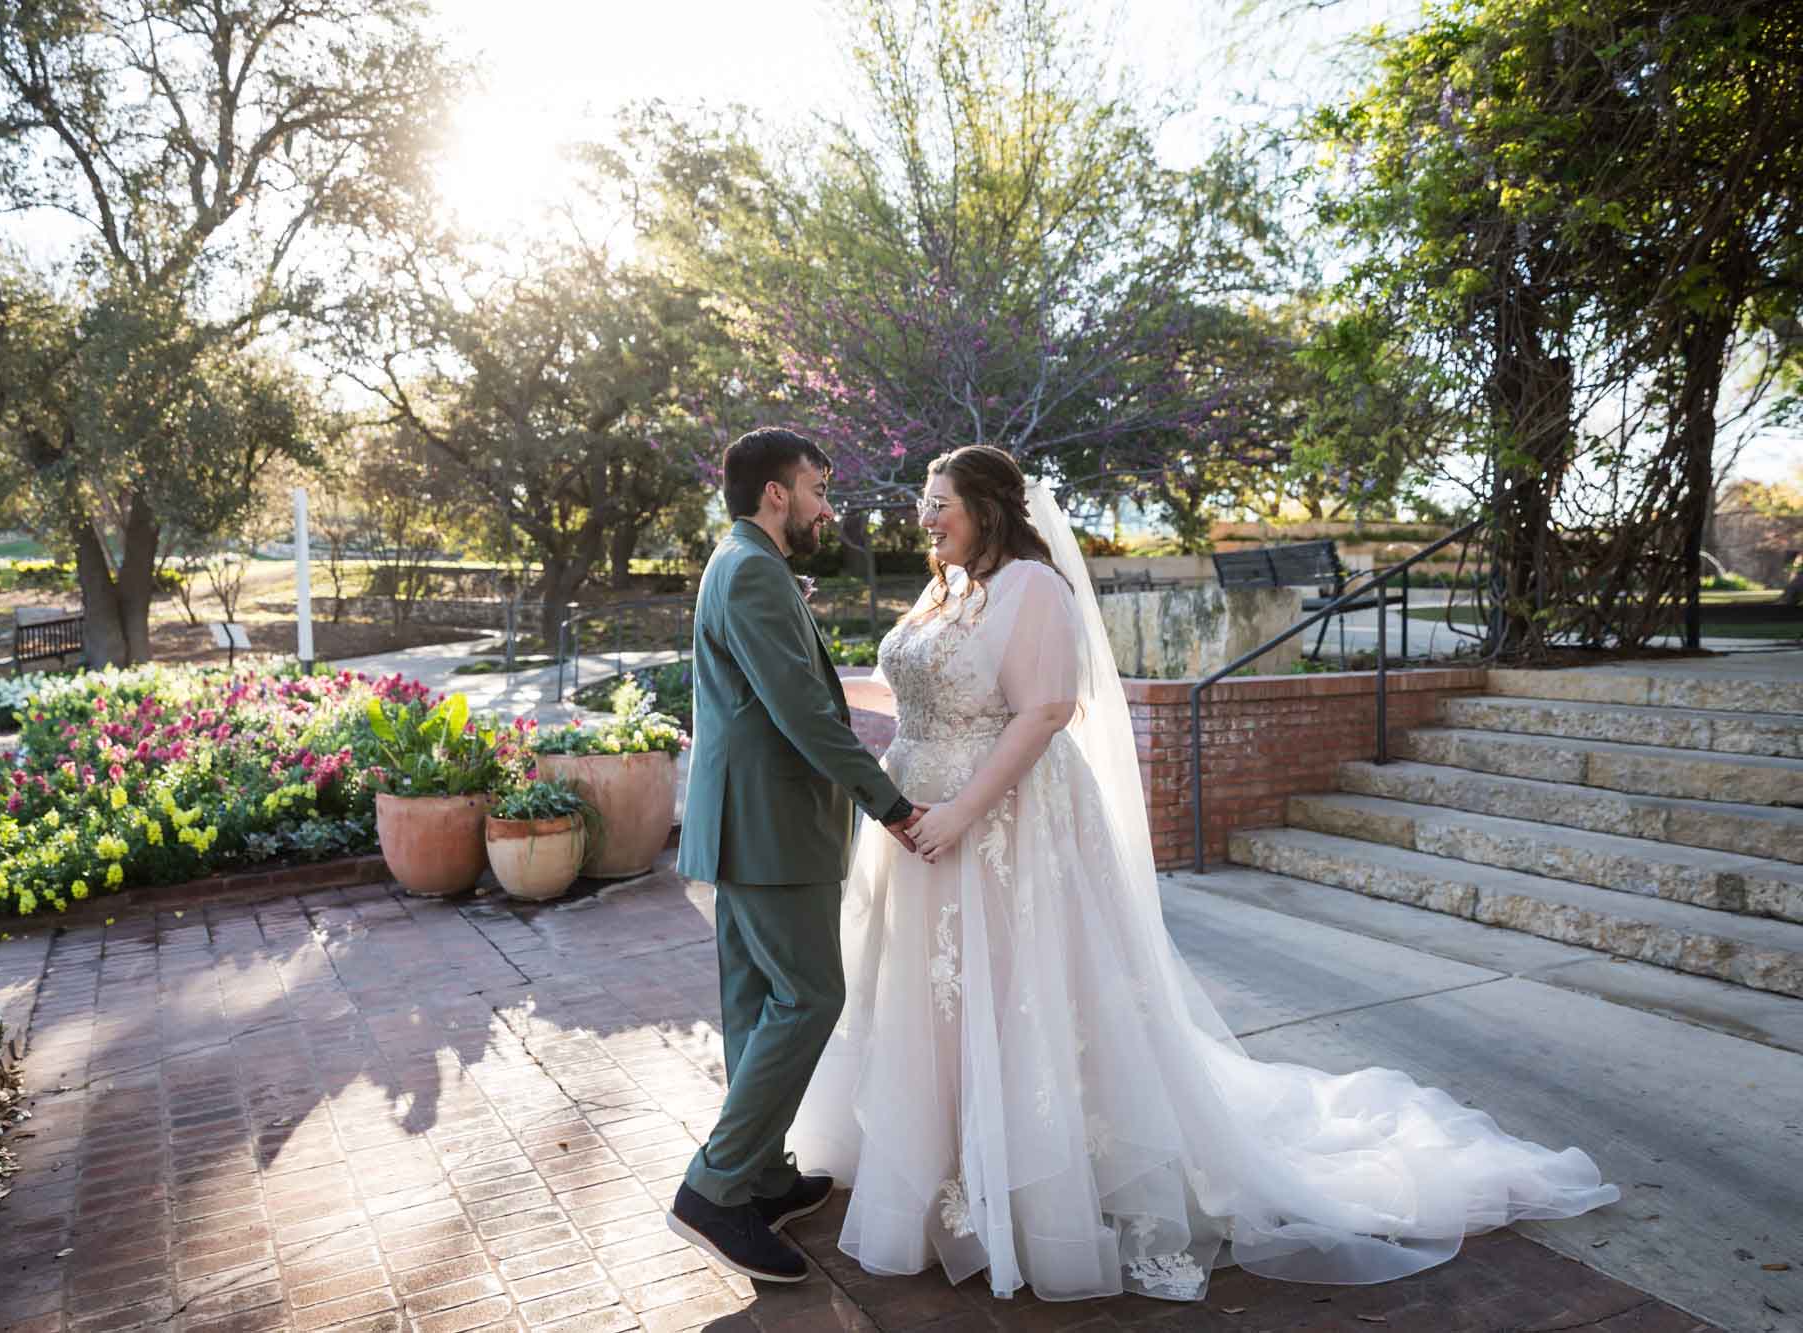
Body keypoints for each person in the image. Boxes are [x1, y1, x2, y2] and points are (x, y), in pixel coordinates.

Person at [789, 444, 1619, 1302]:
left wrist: (962, 811)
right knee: (943, 1001)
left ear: (989, 506)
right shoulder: (949, 587)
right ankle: (949, 1169)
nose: (925, 519)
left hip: (1001, 825)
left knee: (1015, 992)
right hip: (918, 823)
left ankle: (1035, 1192)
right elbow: (928, 692)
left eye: (940, 503)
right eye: (924, 503)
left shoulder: (1034, 586)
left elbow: (1045, 710)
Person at [669, 427, 927, 1284]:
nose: (826, 505)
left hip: (752, 827)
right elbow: (806, 716)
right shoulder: (750, 571)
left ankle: (761, 1175)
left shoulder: (742, 562)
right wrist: (888, 804)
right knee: (813, 995)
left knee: (756, 1003)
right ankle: (712, 1188)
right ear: (776, 493)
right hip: (772, 828)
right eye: (817, 487)